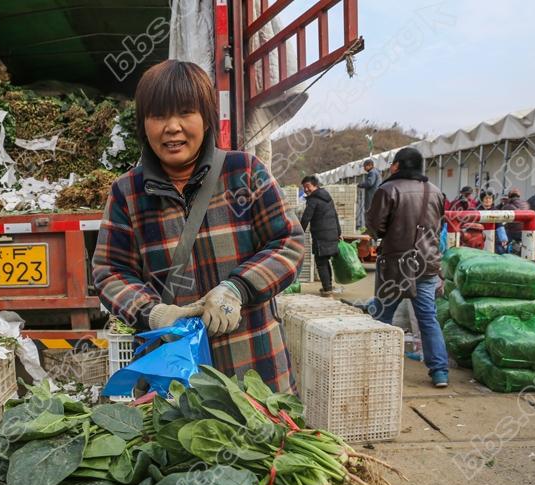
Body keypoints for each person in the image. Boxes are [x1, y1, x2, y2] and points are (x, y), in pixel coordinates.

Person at [92, 60, 304, 392]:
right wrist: (155, 313)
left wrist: (237, 288)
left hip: (255, 369)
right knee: (179, 443)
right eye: (158, 116)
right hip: (173, 377)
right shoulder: (127, 193)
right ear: (143, 124)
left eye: (185, 113)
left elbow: (288, 242)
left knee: (267, 442)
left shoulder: (243, 172)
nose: (172, 127)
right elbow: (109, 270)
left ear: (205, 119)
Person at [366, 147, 449, 388]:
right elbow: (437, 225)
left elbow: (375, 226)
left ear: (397, 165)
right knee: (428, 318)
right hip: (427, 264)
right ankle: (440, 372)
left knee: (382, 317)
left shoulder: (387, 190)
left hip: (395, 265)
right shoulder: (435, 192)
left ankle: (376, 370)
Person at [299, 175, 342, 297]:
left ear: (315, 185)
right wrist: (338, 232)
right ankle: (329, 285)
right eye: (304, 187)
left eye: (307, 186)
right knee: (325, 260)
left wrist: (298, 233)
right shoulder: (327, 196)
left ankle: (327, 289)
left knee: (321, 262)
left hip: (321, 236)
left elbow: (306, 218)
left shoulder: (313, 199)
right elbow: (335, 215)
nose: (306, 190)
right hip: (332, 234)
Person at [356, 159, 381, 228]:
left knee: (370, 214)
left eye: (365, 166)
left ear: (370, 165)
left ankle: (370, 231)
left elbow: (370, 183)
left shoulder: (372, 172)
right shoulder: (377, 172)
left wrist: (359, 185)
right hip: (375, 196)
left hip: (371, 197)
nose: (364, 168)